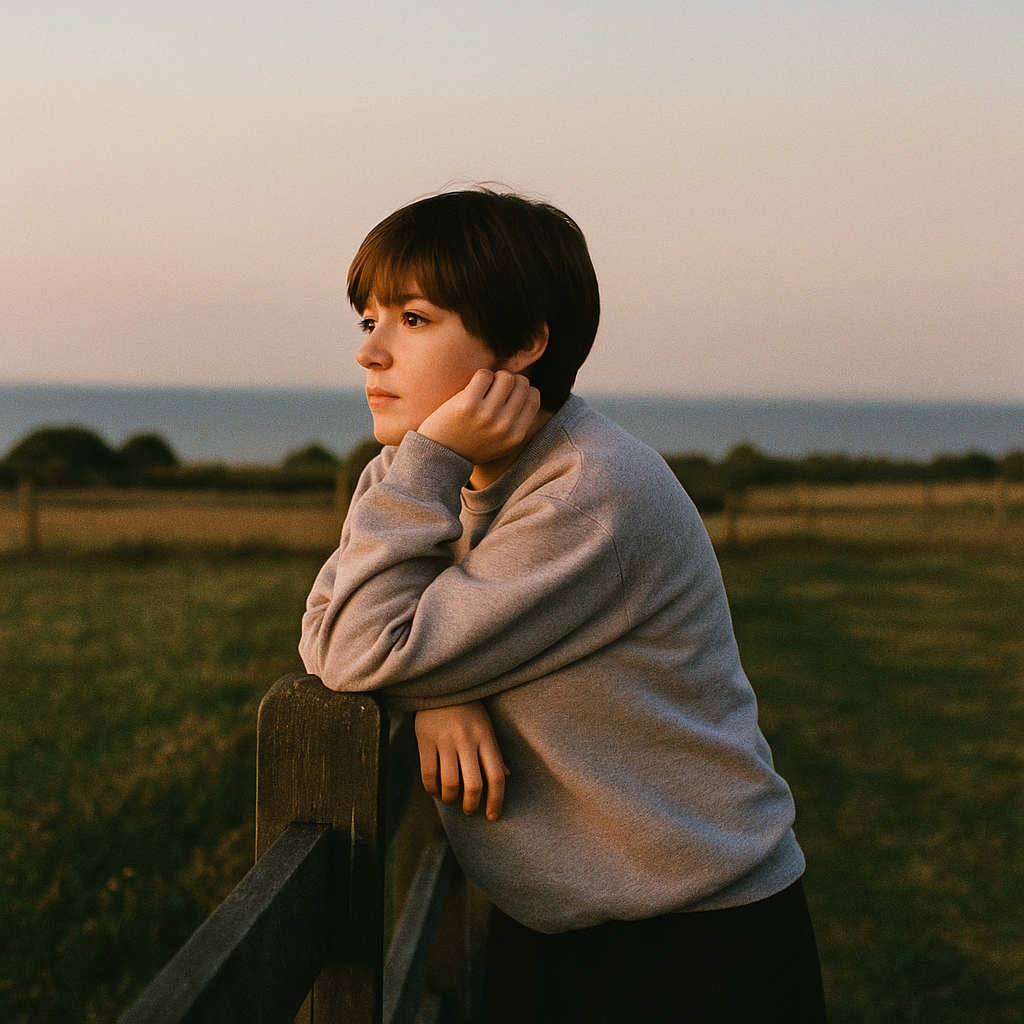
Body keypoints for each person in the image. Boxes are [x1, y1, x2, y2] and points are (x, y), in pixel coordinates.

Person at [299, 187, 827, 1022]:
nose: (371, 353)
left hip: (689, 942)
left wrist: (421, 665)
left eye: (415, 317)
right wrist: (444, 683)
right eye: (368, 321)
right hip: (557, 918)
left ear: (522, 345)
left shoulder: (588, 488)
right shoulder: (417, 474)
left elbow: (362, 649)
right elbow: (331, 633)